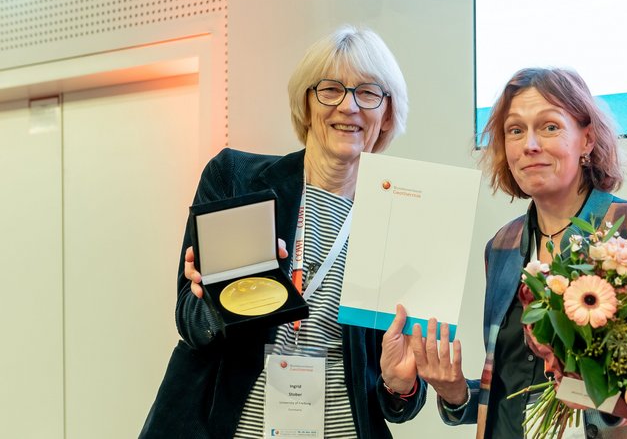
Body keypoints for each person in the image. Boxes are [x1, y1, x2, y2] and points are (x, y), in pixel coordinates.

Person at [141, 26, 425, 439]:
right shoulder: (237, 179)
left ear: (386, 113)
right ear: (306, 104)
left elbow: (394, 401)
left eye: (368, 93)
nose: (349, 107)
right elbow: (190, 322)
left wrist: (401, 385)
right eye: (330, 89)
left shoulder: (397, 219)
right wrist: (224, 297)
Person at [411, 68, 627, 438]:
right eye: (515, 130)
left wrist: (600, 399)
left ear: (587, 139)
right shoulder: (501, 246)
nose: (529, 145)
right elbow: (511, 389)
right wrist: (455, 393)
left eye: (549, 127)